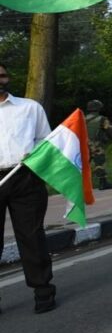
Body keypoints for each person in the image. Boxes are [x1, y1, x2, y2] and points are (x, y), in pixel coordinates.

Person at [0, 61, 57, 314]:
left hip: (25, 177)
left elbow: (45, 140)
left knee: (32, 236)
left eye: (1, 74)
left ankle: (43, 291)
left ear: (7, 78)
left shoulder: (29, 107)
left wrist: (33, 159)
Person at [84, 100, 112, 190]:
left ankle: (79, 185)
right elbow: (110, 132)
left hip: (85, 145)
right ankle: (103, 183)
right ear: (98, 108)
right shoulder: (102, 119)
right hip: (97, 145)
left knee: (84, 165)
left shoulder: (83, 119)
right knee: (99, 163)